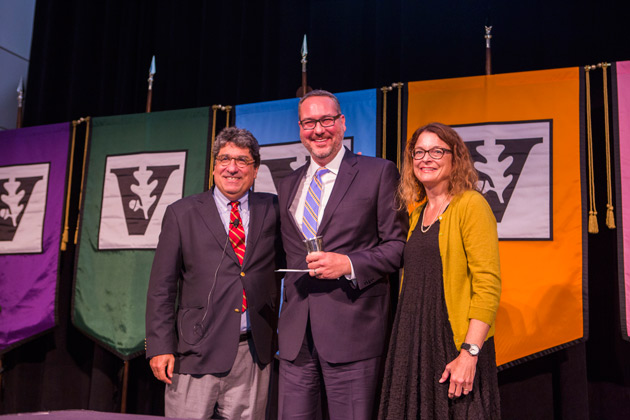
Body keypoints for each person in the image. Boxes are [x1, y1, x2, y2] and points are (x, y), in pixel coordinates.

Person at [276, 89, 408, 419]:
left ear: (342, 122)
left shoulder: (377, 172)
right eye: (309, 122)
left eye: (326, 120)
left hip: (352, 333)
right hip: (295, 339)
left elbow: (397, 247)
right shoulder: (287, 184)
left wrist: (348, 263)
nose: (318, 129)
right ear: (300, 127)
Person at [145, 127, 283, 419]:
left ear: (255, 169)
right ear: (213, 166)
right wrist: (159, 346)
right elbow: (161, 287)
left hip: (253, 352)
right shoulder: (181, 213)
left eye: (242, 161)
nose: (232, 168)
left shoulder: (273, 209)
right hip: (195, 352)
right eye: (224, 159)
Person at [378, 122, 502, 419]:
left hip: (452, 343)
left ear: (455, 158)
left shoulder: (471, 205)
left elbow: (488, 284)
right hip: (415, 342)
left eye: (436, 151)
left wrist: (469, 353)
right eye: (418, 152)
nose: (425, 158)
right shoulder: (417, 212)